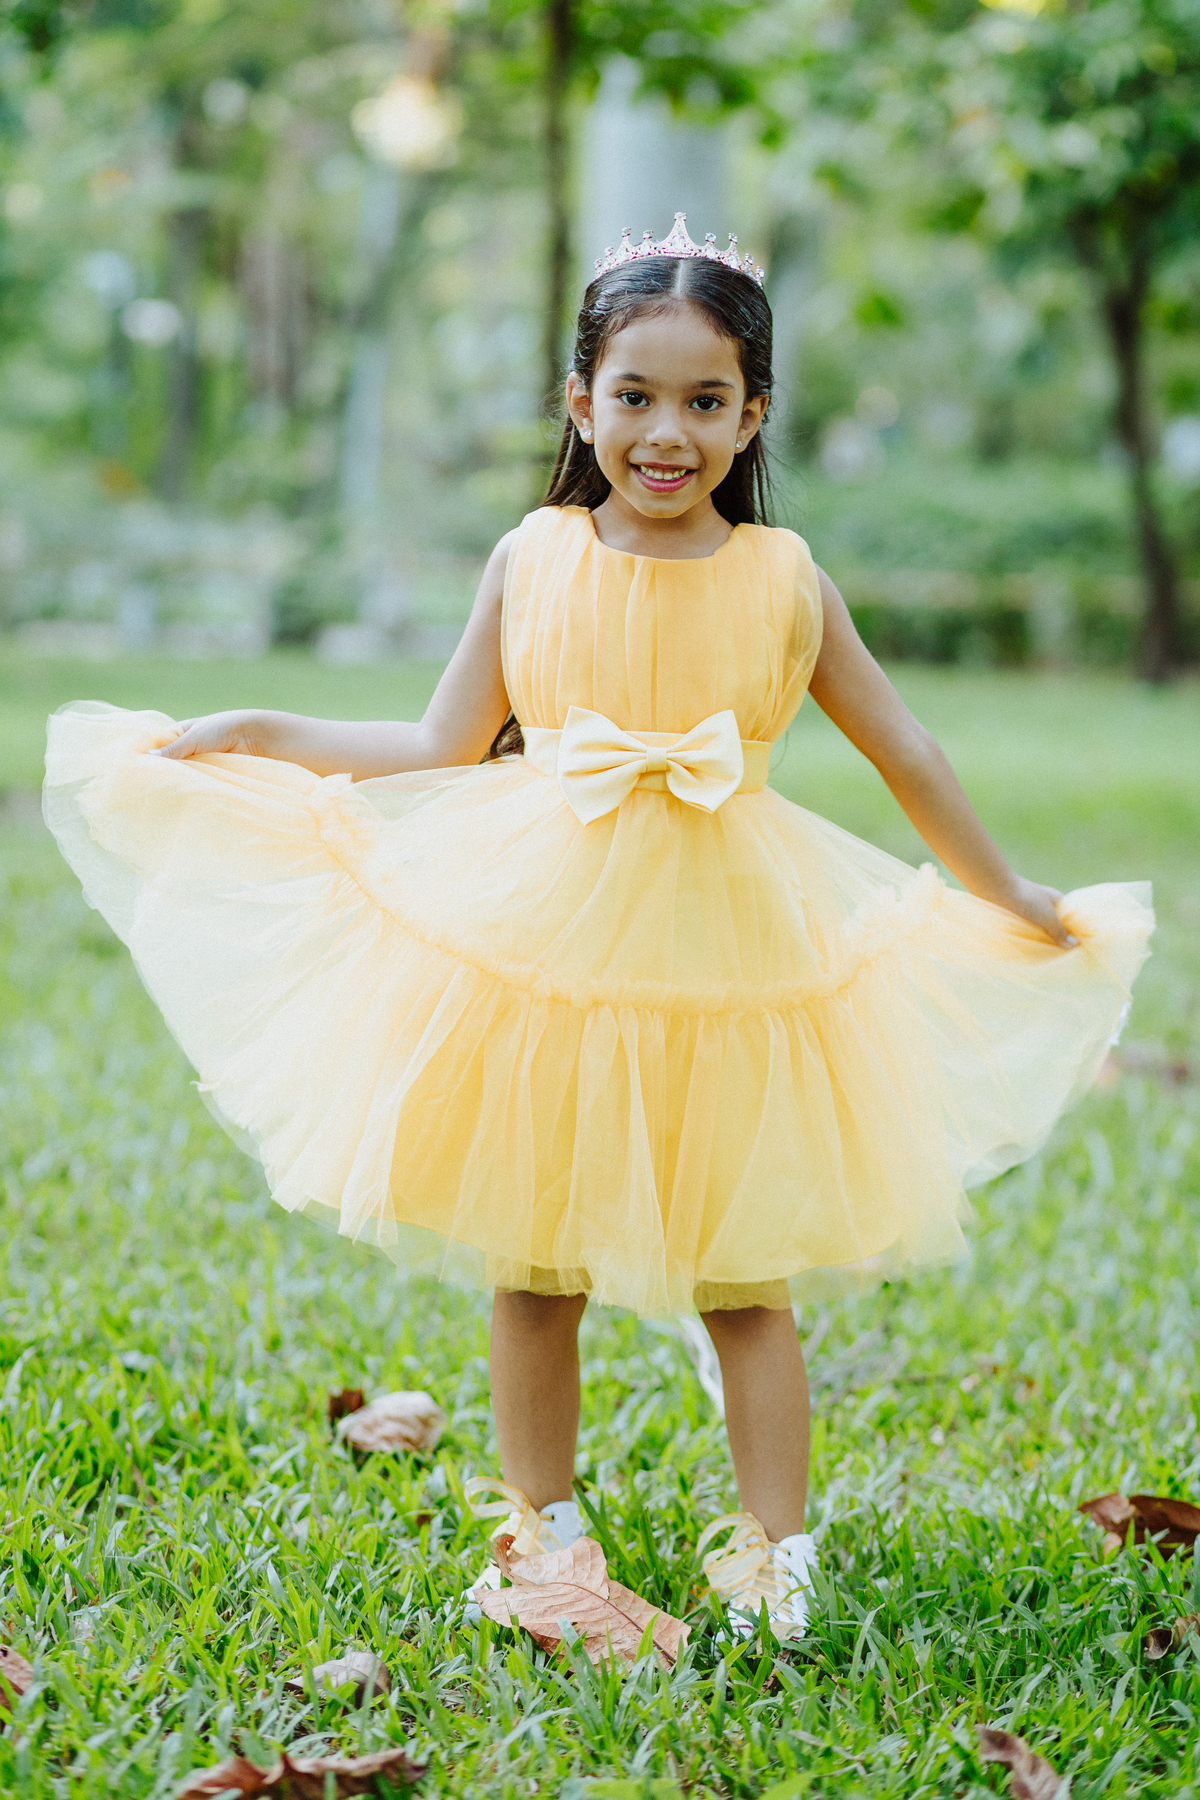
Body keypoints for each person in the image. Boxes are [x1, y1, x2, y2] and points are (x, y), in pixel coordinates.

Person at [43, 214, 1151, 1642]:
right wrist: (263, 729)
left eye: (705, 402)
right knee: (538, 1258)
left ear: (754, 414)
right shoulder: (535, 556)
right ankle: (542, 1519)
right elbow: (447, 735)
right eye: (635, 397)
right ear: (582, 404)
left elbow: (909, 752)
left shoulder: (785, 581)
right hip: (548, 943)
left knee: (744, 1276)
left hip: (733, 951)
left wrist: (1015, 895)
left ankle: (776, 1550)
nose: (666, 434)